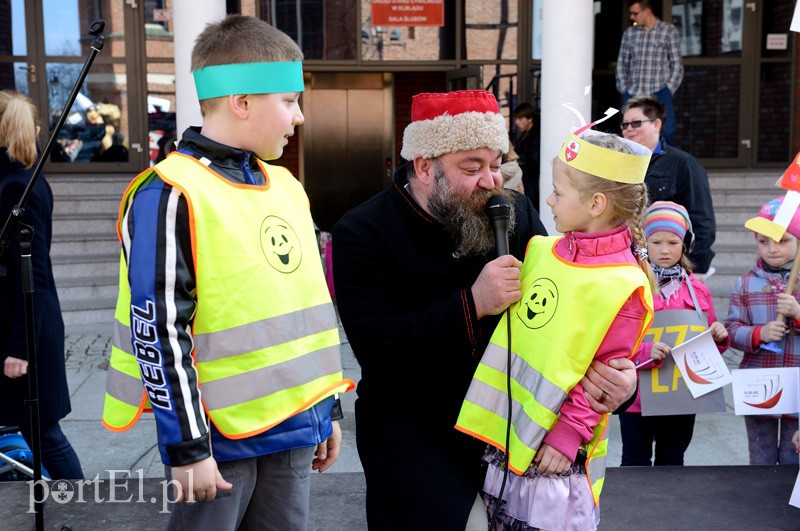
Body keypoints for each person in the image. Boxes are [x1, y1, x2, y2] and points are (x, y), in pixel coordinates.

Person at [332, 90, 641, 530]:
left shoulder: (513, 210)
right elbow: (378, 348)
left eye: (495, 165)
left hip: (510, 427)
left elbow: (570, 311)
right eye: (471, 168)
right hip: (415, 430)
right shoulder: (363, 231)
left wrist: (616, 377)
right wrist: (471, 304)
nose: (491, 182)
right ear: (424, 166)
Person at [101, 15, 353, 529]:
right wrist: (187, 446)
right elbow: (159, 329)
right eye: (288, 101)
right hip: (219, 442)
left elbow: (305, 314)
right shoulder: (169, 193)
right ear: (241, 101)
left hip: (294, 429)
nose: (299, 116)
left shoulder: (286, 186)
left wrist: (324, 410)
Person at [457, 130, 656, 531]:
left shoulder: (623, 284)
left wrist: (567, 434)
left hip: (555, 454)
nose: (548, 201)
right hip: (507, 437)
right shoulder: (541, 250)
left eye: (558, 192)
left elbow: (604, 377)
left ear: (596, 203)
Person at [0, 90, 84, 480]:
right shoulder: (14, 181)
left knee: (43, 432)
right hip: (20, 326)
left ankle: (85, 511)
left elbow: (29, 273)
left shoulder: (18, 186)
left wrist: (20, 348)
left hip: (26, 331)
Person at [620, 201, 729, 467]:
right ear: (644, 244)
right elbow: (616, 341)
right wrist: (645, 351)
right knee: (635, 460)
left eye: (673, 242)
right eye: (656, 242)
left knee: (673, 460)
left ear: (685, 245)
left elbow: (710, 346)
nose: (665, 250)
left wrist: (719, 336)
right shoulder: (631, 286)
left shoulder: (698, 290)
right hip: (638, 397)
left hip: (682, 395)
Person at [725, 196, 800, 465]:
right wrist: (760, 334)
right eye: (763, 241)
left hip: (797, 383)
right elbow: (732, 330)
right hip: (759, 384)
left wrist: (797, 313)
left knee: (795, 457)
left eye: (782, 240)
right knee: (761, 457)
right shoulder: (746, 283)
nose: (772, 249)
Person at [620, 95, 716, 276]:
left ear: (657, 124)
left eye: (636, 123)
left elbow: (702, 220)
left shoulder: (683, 163)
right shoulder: (620, 165)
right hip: (628, 265)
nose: (629, 129)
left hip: (671, 270)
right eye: (624, 125)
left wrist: (696, 269)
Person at [615, 0, 683, 145]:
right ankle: (637, 167)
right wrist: (624, 90)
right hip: (634, 93)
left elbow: (676, 64)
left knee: (668, 132)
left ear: (647, 11)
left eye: (635, 13)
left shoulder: (668, 31)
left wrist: (668, 89)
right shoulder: (630, 34)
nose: (632, 17)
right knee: (630, 134)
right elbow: (622, 64)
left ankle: (664, 166)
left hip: (659, 92)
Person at [512, 103, 540, 209]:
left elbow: (534, 161)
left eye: (520, 118)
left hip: (532, 185)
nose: (516, 122)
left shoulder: (536, 136)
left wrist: (516, 155)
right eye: (516, 119)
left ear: (530, 118)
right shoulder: (525, 135)